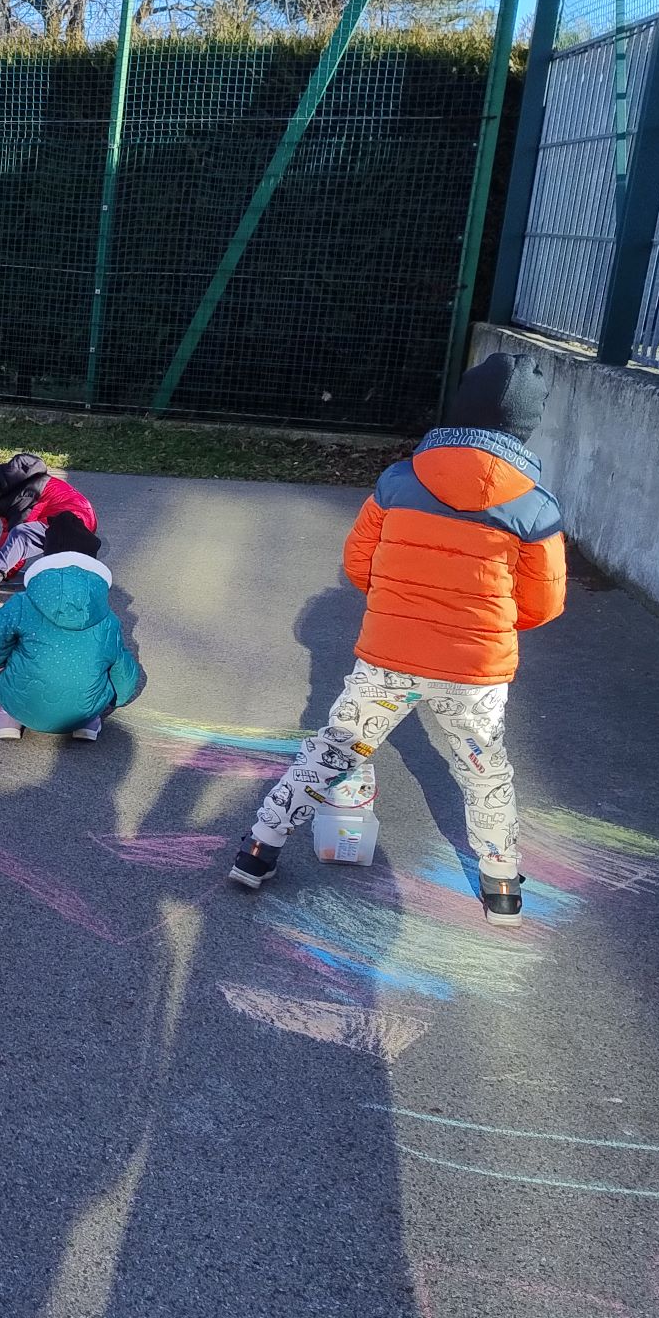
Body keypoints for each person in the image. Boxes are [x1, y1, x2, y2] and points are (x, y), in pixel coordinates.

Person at [229, 352, 566, 927]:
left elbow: (359, 564)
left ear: (460, 408)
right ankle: (502, 885)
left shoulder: (400, 480)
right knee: (484, 772)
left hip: (389, 658)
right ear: (525, 426)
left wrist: (396, 600)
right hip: (475, 670)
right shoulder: (535, 507)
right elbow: (542, 605)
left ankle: (259, 848)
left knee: (334, 750)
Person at [0, 513, 143, 741]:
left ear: (48, 558)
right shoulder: (107, 617)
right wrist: (117, 699)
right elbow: (123, 673)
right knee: (108, 661)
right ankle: (88, 723)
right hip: (83, 709)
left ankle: (8, 718)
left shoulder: (22, 603)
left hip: (23, 703)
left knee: (10, 648)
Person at [0, 450, 97, 604]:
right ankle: (72, 576)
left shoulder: (24, 495)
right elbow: (8, 534)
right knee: (24, 538)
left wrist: (0, 569)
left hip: (75, 524)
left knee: (22, 534)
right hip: (69, 523)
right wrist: (8, 569)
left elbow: (20, 536)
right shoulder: (11, 495)